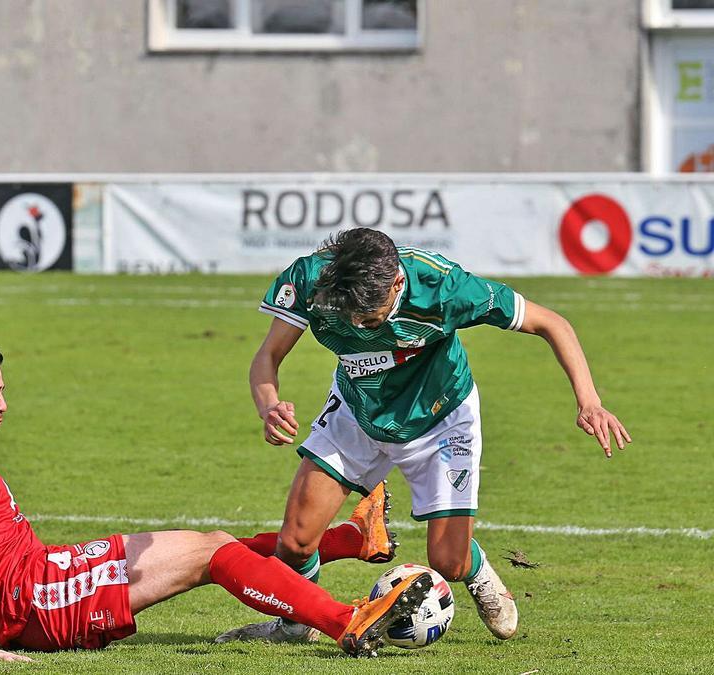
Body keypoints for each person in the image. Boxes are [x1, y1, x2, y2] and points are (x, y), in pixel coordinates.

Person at [0, 335, 432, 661]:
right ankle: (345, 621)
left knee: (214, 547)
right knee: (209, 555)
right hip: (36, 601)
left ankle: (352, 540)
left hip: (40, 579)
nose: (2, 403)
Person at [219, 228, 631, 643]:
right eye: (351, 315)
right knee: (295, 542)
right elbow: (268, 356)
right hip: (357, 409)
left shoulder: (445, 287)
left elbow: (551, 322)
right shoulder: (313, 280)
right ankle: (295, 624)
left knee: (448, 563)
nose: (359, 326)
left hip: (440, 417)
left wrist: (589, 401)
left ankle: (479, 572)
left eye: (371, 316)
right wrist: (268, 405)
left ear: (398, 282)